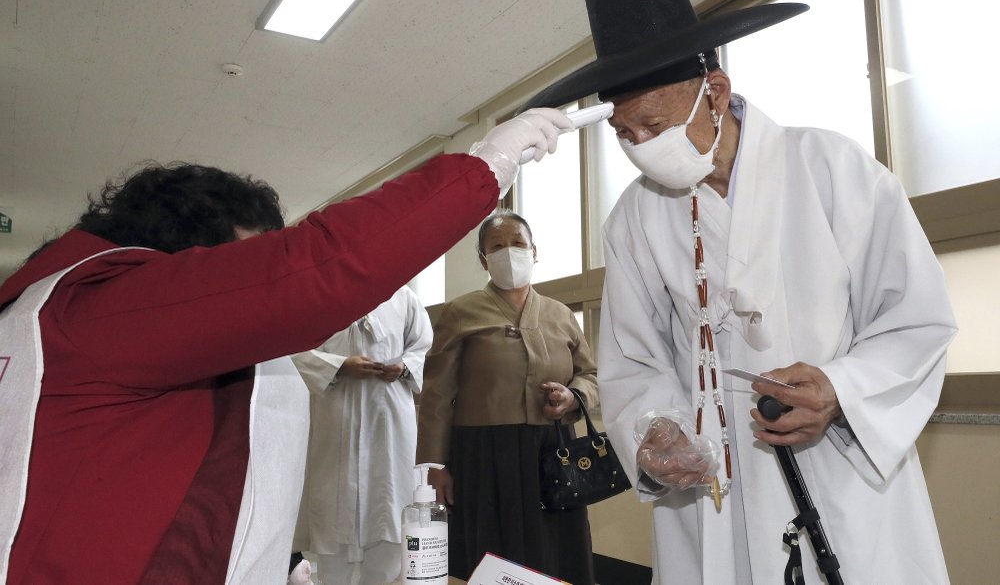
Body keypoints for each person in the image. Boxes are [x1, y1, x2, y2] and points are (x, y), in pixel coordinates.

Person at [520, 0, 957, 584]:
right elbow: (633, 362)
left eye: (655, 124)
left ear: (715, 93)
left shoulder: (832, 170)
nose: (640, 145)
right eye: (625, 132)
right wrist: (655, 430)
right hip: (711, 489)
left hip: (837, 470)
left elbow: (916, 321)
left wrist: (840, 387)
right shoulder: (635, 217)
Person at [0, 106, 575, 584]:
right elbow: (313, 274)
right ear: (193, 257)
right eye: (240, 264)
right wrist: (484, 168)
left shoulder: (57, 307)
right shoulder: (109, 306)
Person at [416, 210, 599, 584]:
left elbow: (591, 375)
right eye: (496, 246)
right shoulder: (460, 312)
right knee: (492, 551)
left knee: (556, 549)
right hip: (482, 453)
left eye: (518, 243)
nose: (509, 252)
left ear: (535, 251)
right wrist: (434, 465)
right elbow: (436, 393)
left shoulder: (561, 314)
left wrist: (573, 395)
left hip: (553, 450)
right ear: (484, 260)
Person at [291, 285, 432, 585]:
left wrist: (404, 366)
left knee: (389, 507)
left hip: (389, 419)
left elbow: (421, 343)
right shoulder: (319, 292)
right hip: (335, 415)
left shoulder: (402, 295)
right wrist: (339, 365)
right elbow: (292, 349)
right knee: (333, 513)